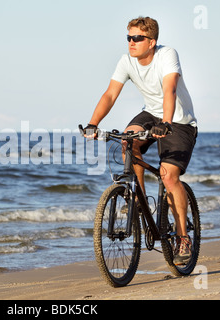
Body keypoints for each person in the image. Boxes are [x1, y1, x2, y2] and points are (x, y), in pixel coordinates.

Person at [82, 16, 198, 265]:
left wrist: (165, 123)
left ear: (152, 41)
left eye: (137, 38)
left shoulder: (167, 55)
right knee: (127, 139)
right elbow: (110, 94)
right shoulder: (126, 61)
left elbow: (170, 90)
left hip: (178, 121)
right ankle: (139, 203)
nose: (131, 43)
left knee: (168, 176)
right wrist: (93, 124)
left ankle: (183, 237)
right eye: (129, 38)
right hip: (151, 113)